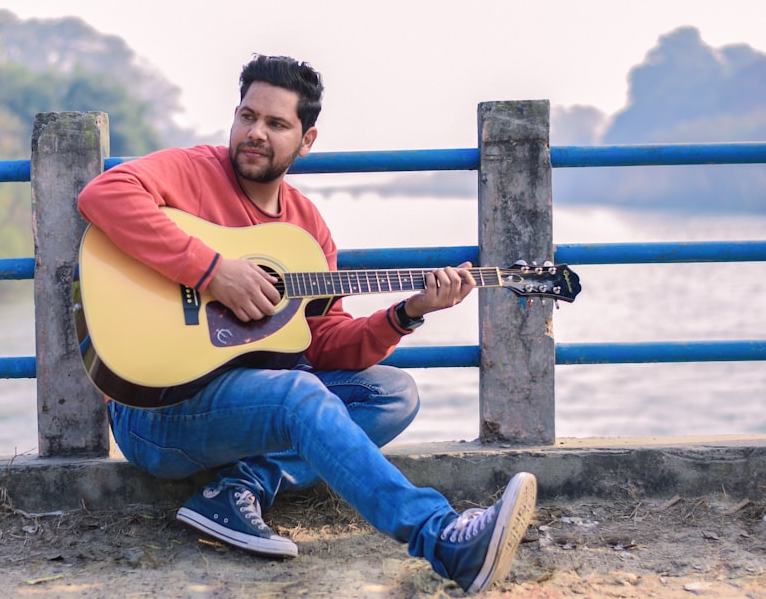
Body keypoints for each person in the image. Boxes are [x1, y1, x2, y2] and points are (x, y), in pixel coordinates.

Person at [77, 54, 537, 594]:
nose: (255, 133)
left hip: (243, 399)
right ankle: (443, 539)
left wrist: (407, 313)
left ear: (306, 139)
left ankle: (240, 488)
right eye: (248, 116)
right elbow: (103, 194)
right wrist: (212, 271)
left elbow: (320, 342)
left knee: (391, 394)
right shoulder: (194, 171)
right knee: (297, 395)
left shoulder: (306, 230)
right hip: (154, 409)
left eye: (276, 124)